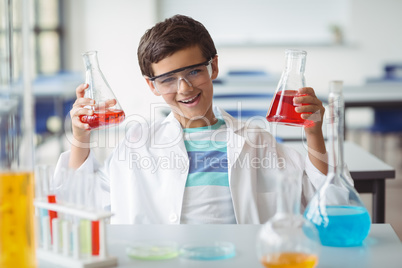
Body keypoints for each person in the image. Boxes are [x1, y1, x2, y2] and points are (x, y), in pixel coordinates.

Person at [56, 14, 348, 224]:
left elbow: (329, 200)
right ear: (152, 85)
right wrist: (81, 138)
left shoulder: (256, 141)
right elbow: (81, 202)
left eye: (194, 71)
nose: (185, 88)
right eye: (168, 79)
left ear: (214, 67)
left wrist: (314, 134)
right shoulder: (135, 146)